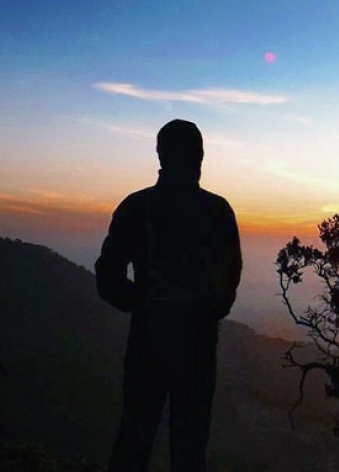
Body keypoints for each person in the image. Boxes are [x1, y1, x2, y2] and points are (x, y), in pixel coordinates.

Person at [95, 119, 242, 472]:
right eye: (196, 154)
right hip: (195, 347)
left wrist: (141, 302)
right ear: (196, 157)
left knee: (135, 442)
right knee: (186, 450)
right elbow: (228, 283)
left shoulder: (137, 206)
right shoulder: (216, 211)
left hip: (150, 341)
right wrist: (202, 309)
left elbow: (108, 275)